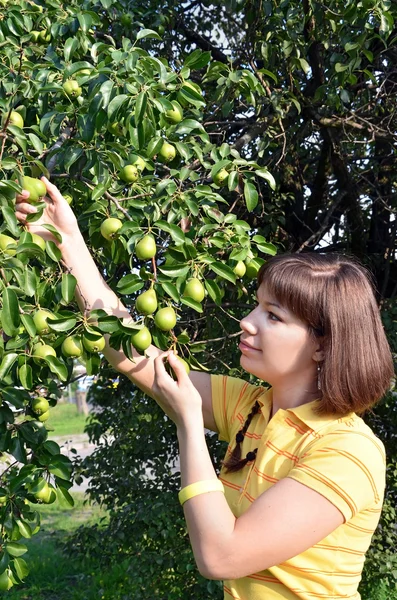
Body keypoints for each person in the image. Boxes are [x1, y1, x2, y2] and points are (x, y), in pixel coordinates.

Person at [15, 178, 394, 600]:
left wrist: (190, 425)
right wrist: (66, 240)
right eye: (256, 306)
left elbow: (221, 556)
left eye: (273, 316)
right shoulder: (252, 406)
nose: (247, 322)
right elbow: (132, 354)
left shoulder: (346, 451)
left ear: (323, 345)